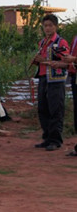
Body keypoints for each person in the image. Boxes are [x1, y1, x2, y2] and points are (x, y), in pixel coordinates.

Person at [32, 14, 69, 151]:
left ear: (56, 26)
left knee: (56, 110)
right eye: (45, 26)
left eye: (50, 26)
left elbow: (66, 63)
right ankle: (47, 138)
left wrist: (44, 61)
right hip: (43, 78)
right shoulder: (42, 42)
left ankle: (55, 140)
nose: (47, 28)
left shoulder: (61, 43)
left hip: (56, 80)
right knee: (43, 109)